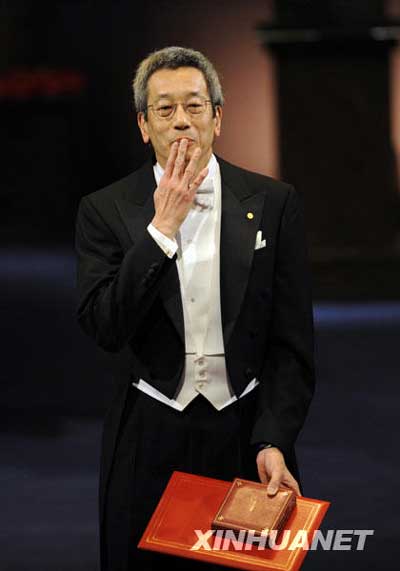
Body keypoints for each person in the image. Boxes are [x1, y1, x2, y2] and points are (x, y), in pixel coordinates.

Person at [75, 46, 315, 571]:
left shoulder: (274, 204)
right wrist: (160, 230)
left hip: (245, 435)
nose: (181, 120)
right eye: (165, 109)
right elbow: (106, 326)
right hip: (148, 435)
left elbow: (292, 344)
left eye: (195, 106)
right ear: (144, 126)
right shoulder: (104, 210)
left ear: (218, 118)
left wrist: (274, 438)